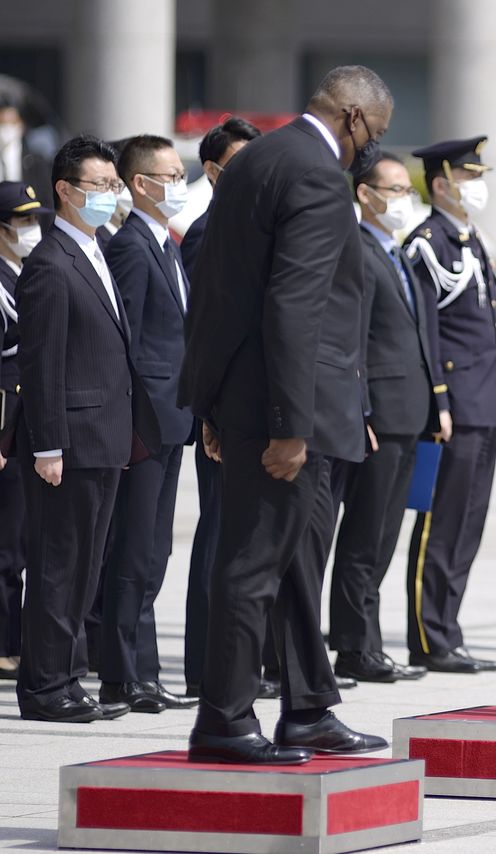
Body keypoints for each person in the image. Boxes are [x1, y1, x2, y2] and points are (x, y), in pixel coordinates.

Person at [179, 66, 392, 764]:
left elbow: (216, 287)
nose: (370, 150)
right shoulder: (317, 174)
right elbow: (295, 306)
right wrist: (289, 427)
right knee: (254, 561)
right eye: (376, 135)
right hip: (284, 409)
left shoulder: (257, 158)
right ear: (354, 117)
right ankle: (224, 719)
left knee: (297, 560)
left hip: (245, 394)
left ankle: (307, 708)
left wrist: (211, 400)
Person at [15, 135, 160, 723]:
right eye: (100, 186)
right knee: (58, 565)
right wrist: (48, 444)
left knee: (84, 567)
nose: (110, 195)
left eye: (113, 185)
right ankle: (46, 687)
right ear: (65, 191)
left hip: (104, 436)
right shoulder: (51, 262)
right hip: (68, 444)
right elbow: (41, 362)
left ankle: (68, 677)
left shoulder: (95, 251)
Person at [328, 152, 446, 684]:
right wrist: (362, 410)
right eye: (393, 190)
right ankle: (354, 646)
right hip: (380, 417)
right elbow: (350, 340)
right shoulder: (354, 250)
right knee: (363, 537)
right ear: (365, 195)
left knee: (385, 537)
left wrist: (436, 404)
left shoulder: (395, 252)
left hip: (411, 414)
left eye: (406, 189)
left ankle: (368, 642)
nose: (404, 199)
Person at [401, 136, 496, 675]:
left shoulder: (470, 240)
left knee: (468, 523)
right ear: (443, 184)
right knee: (439, 524)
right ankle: (430, 636)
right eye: (469, 178)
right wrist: (437, 403)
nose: (478, 186)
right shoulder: (427, 244)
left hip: (484, 400)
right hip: (452, 406)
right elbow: (426, 333)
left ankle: (449, 629)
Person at [96, 135, 199, 714]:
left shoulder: (166, 244)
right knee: (134, 553)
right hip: (144, 424)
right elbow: (126, 343)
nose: (179, 183)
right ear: (140, 183)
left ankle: (147, 674)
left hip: (171, 418)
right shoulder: (133, 246)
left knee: (154, 551)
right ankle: (121, 676)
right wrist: (133, 424)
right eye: (171, 173)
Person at [178, 116, 271, 699]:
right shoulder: (209, 234)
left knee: (248, 540)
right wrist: (211, 414)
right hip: (224, 413)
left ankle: (240, 665)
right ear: (213, 173)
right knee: (218, 536)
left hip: (257, 410)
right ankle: (206, 670)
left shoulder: (257, 229)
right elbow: (204, 332)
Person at [0, 181, 48, 681]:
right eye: (21, 221)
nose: (30, 230)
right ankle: (4, 642)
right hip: (6, 429)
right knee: (7, 547)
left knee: (24, 543)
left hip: (25, 425)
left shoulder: (21, 273)